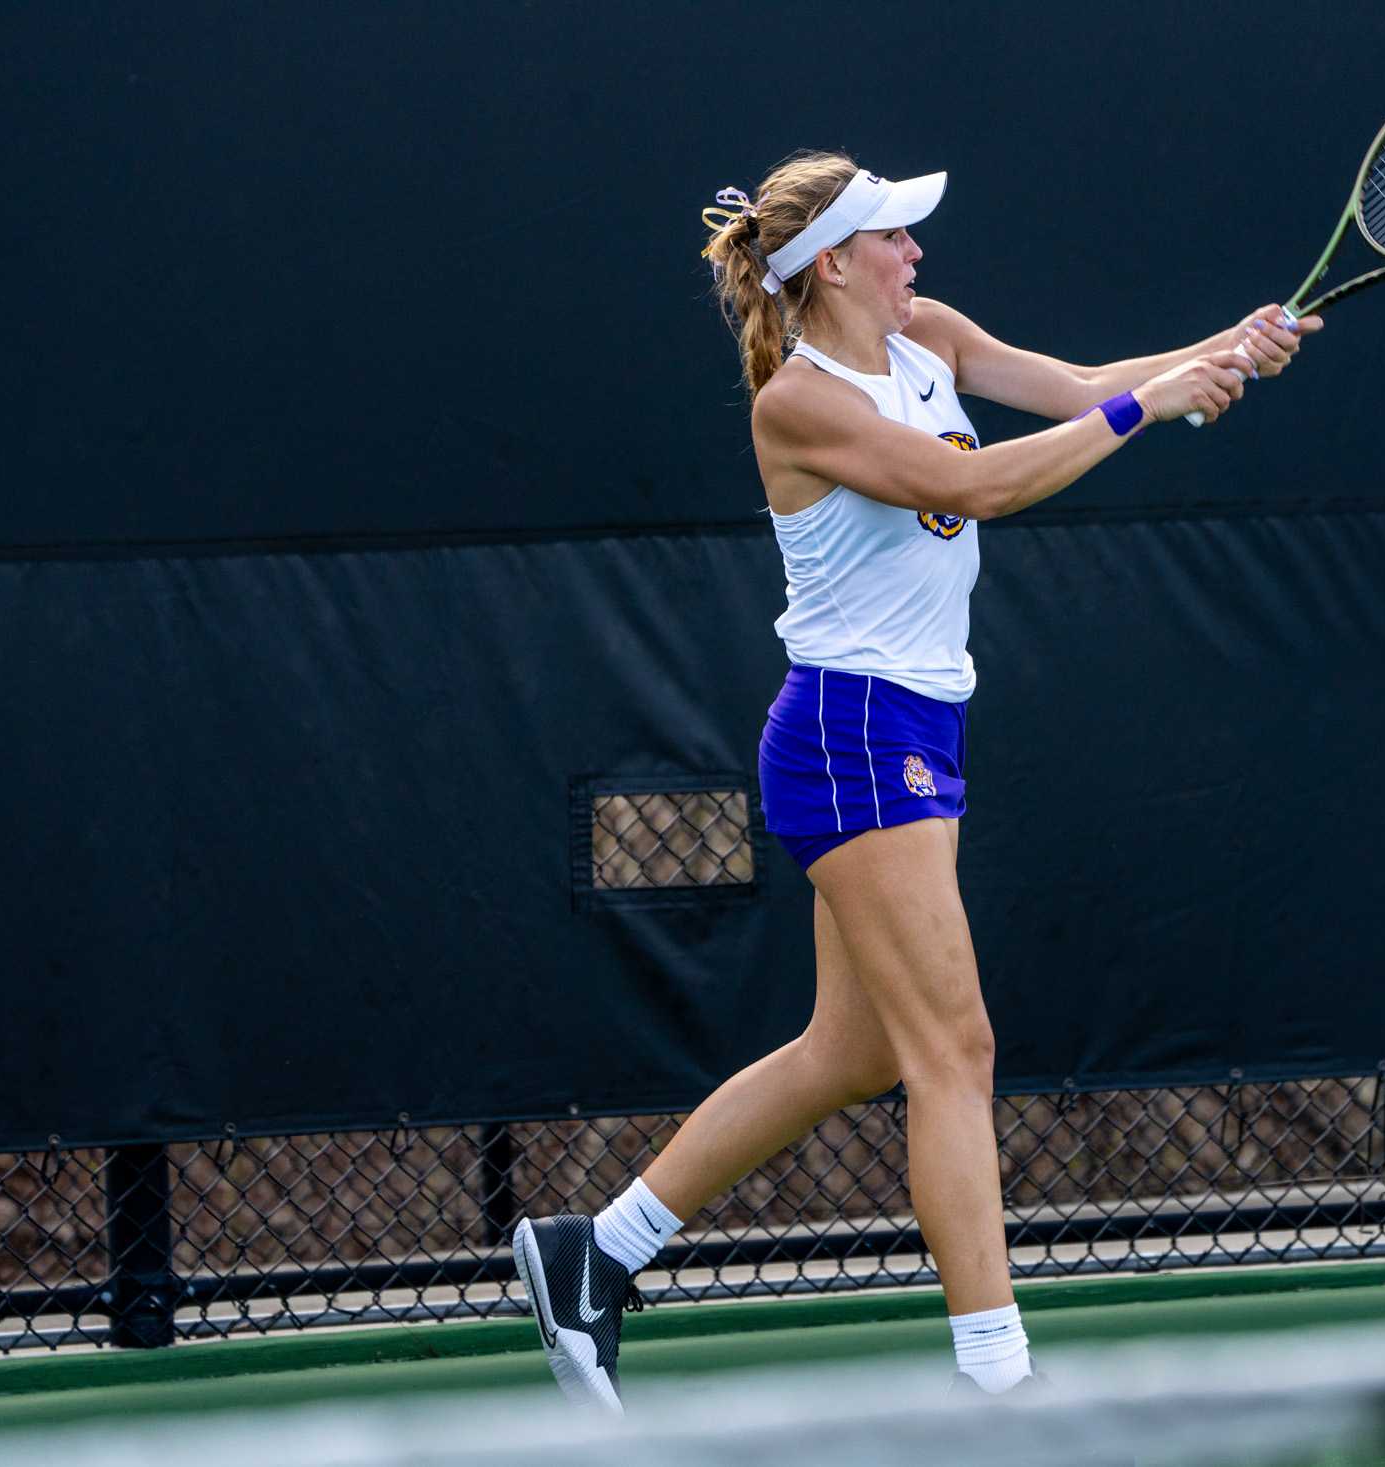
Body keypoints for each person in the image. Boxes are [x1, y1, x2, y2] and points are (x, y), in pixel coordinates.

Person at [513, 150, 1321, 1414]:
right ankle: (999, 1382)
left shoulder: (927, 334)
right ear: (830, 263)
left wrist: (1225, 345)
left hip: (916, 727)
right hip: (848, 731)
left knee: (850, 1052)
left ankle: (594, 1253)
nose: (916, 254)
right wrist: (1150, 410)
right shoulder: (798, 404)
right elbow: (974, 484)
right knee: (957, 1049)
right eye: (892, 237)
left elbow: (1075, 388)